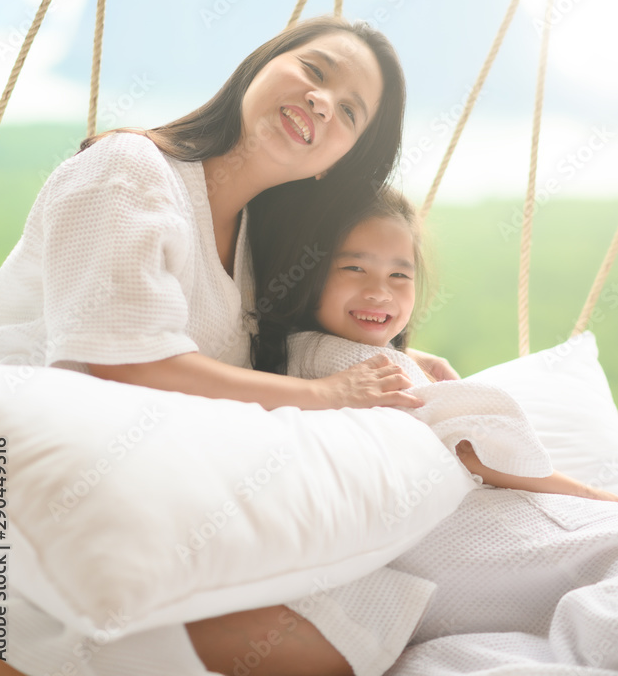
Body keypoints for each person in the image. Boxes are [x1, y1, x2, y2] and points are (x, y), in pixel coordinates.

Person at [0, 17, 450, 676]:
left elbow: (277, 356)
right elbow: (129, 362)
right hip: (14, 491)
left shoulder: (258, 246)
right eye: (314, 73)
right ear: (259, 65)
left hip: (135, 496)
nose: (321, 102)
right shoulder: (130, 167)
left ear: (336, 161)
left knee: (357, 623)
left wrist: (401, 360)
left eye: (348, 112)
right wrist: (325, 394)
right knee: (306, 638)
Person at [255, 186, 618, 672]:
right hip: (464, 541)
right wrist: (588, 494)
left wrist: (408, 356)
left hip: (435, 561)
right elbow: (478, 451)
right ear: (309, 276)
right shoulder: (363, 369)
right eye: (354, 268)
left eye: (399, 275)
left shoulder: (303, 359)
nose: (379, 291)